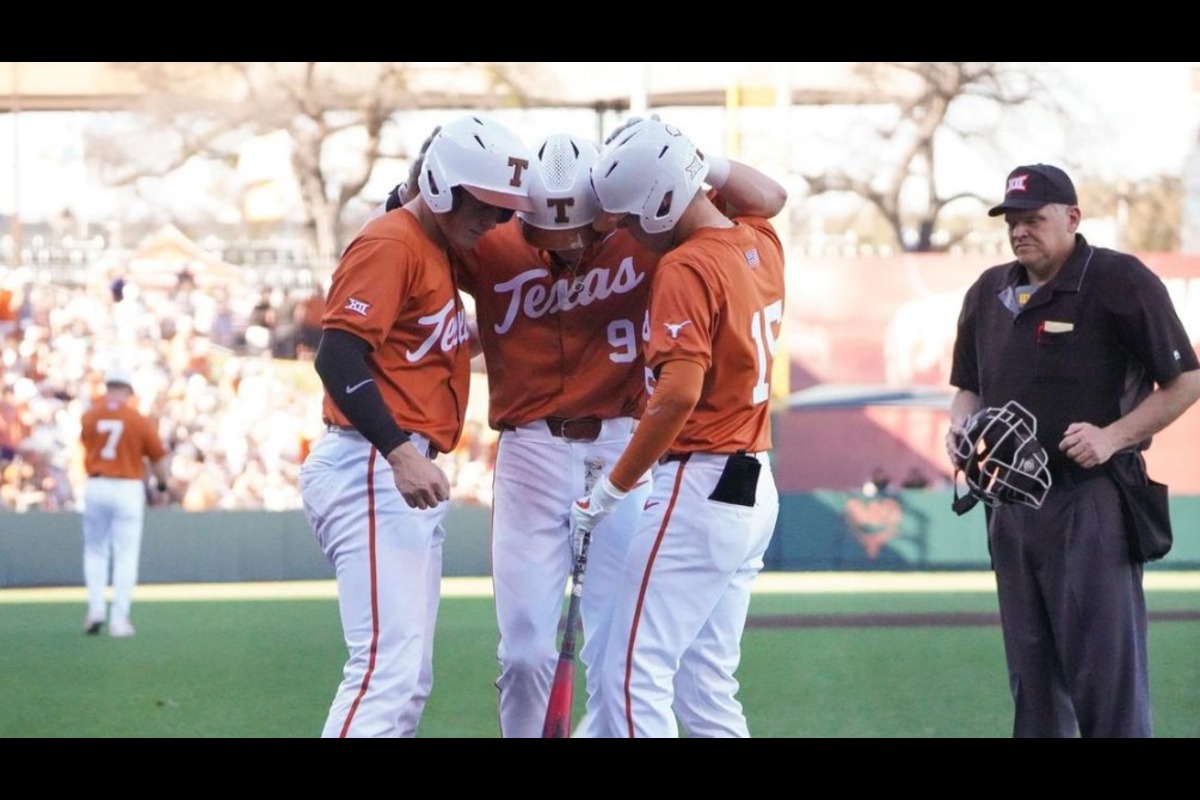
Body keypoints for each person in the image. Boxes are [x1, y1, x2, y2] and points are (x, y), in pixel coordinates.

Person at [297, 114, 535, 738]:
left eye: (504, 211)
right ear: (442, 186)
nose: (492, 222)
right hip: (371, 462)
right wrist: (400, 452)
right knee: (386, 671)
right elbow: (337, 354)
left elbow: (419, 345)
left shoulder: (432, 247)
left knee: (407, 678)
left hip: (390, 465)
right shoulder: (394, 243)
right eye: (483, 205)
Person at [946, 163, 1200, 738]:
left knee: (1105, 680)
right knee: (1032, 682)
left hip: (1090, 502)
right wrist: (960, 427)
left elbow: (1187, 381)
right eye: (1012, 221)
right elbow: (967, 387)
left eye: (1033, 219)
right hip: (1009, 509)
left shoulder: (1118, 280)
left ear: (1072, 218)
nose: (1019, 231)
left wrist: (1112, 437)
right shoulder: (989, 290)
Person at [569, 118, 786, 737]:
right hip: (752, 483)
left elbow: (677, 395)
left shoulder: (685, 268)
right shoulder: (758, 240)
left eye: (634, 219)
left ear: (662, 201)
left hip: (700, 481)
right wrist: (697, 163)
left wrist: (613, 487)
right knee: (707, 685)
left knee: (628, 674)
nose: (631, 235)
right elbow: (771, 196)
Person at [78, 368, 171, 638]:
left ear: (108, 388)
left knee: (95, 551)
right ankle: (119, 620)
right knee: (125, 555)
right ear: (128, 391)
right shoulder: (138, 420)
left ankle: (96, 610)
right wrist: (162, 485)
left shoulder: (90, 416)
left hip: (96, 483)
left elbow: (87, 446)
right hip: (128, 486)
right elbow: (158, 459)